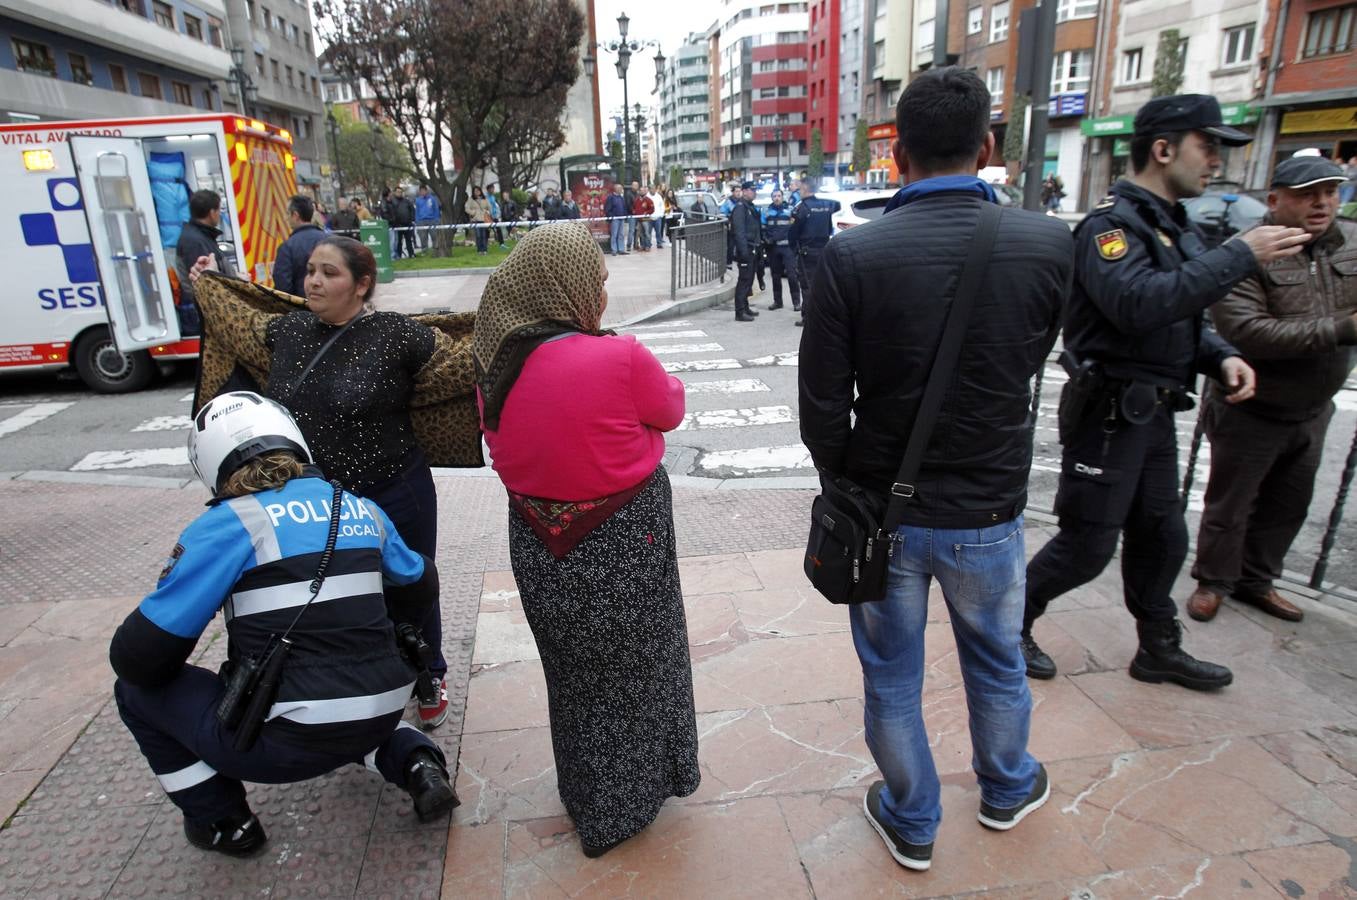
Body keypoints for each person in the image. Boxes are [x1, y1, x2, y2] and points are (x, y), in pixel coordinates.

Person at [799, 66, 1068, 874]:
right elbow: (1035, 359)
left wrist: (850, 492)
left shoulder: (852, 258)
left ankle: (912, 818)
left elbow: (820, 410)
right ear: (986, 147)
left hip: (883, 515)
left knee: (890, 673)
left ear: (897, 155)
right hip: (989, 511)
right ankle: (1005, 786)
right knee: (994, 657)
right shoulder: (1048, 244)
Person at [1021, 94, 1312, 689]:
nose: (1215, 162)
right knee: (1087, 545)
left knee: (1163, 535)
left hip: (1149, 409)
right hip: (1108, 410)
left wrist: (1222, 355)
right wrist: (1238, 255)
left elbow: (1179, 314)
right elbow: (1137, 304)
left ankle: (1158, 647)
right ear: (1162, 149)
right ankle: (1007, 628)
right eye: (1207, 147)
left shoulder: (1168, 224)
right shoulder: (1110, 228)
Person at [110, 392, 457, 858]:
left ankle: (224, 822)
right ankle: (418, 764)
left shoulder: (227, 524)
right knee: (346, 706)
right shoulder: (358, 507)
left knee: (135, 694)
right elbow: (420, 581)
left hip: (287, 742)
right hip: (386, 704)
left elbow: (141, 657)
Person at [472, 225, 700, 858]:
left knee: (572, 676)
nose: (602, 291)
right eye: (596, 279)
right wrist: (644, 445)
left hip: (541, 547)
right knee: (642, 667)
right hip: (628, 539)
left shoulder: (494, 367)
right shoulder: (618, 357)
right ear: (564, 285)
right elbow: (670, 412)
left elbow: (511, 453)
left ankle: (589, 796)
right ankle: (638, 796)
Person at [189, 236, 458, 728]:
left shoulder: (397, 335)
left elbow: (465, 361)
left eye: (329, 273)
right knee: (341, 595)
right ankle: (361, 680)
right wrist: (207, 282)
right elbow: (236, 317)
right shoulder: (288, 330)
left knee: (412, 585)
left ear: (362, 285)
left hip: (395, 490)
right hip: (321, 502)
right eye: (311, 270)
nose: (313, 280)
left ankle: (428, 672)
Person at [1186, 157, 1357, 624]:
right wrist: (1342, 329)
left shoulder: (1351, 244)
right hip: (1250, 405)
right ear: (1276, 200)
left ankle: (1257, 579)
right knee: (1230, 503)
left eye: (1330, 192)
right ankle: (1214, 580)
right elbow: (1247, 331)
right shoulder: (1247, 251)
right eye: (1308, 194)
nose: (1322, 203)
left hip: (1313, 407)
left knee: (1289, 503)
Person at [789, 178, 840, 327]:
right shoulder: (825, 205)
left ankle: (809, 318)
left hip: (807, 252)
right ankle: (824, 315)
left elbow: (793, 232)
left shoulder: (802, 208)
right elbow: (829, 228)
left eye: (800, 189)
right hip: (823, 250)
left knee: (807, 286)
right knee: (822, 284)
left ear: (805, 188)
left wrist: (793, 249)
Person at [175, 190, 228, 312]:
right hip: (211, 311)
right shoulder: (195, 242)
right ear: (212, 213)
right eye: (219, 210)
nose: (220, 214)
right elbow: (206, 284)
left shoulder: (201, 236)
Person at [272, 195, 327, 295]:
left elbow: (283, 288)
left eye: (287, 214)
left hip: (302, 307)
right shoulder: (331, 241)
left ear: (295, 215)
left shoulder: (287, 248)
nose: (285, 218)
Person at [761, 189, 800, 311]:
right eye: (774, 196)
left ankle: (796, 302)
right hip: (773, 248)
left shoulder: (790, 210)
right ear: (772, 198)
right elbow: (763, 228)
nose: (777, 198)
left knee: (792, 276)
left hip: (787, 248)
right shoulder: (766, 211)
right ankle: (777, 302)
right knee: (775, 276)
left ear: (783, 197)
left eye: (779, 196)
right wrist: (766, 239)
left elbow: (794, 228)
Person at [730, 181, 763, 322]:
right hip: (746, 249)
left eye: (755, 190)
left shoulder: (750, 207)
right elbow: (739, 232)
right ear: (744, 191)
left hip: (753, 248)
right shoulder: (740, 208)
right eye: (751, 190)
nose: (754, 192)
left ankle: (745, 307)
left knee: (749, 280)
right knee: (744, 281)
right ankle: (739, 312)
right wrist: (743, 252)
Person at [387, 186, 416, 259]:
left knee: (408, 240)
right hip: (397, 225)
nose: (399, 193)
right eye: (398, 192)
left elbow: (412, 210)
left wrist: (412, 219)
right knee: (398, 242)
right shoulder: (392, 201)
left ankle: (411, 254)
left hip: (407, 224)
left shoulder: (406, 201)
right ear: (394, 192)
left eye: (401, 192)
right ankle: (399, 256)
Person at [466, 186, 493, 255]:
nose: (477, 192)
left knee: (484, 235)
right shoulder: (471, 199)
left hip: (484, 219)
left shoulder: (485, 199)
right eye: (475, 191)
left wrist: (488, 212)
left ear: (480, 191)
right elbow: (467, 208)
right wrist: (473, 213)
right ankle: (479, 250)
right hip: (476, 220)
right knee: (478, 235)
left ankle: (485, 250)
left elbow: (490, 207)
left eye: (478, 190)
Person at [415, 184, 442, 251]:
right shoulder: (418, 200)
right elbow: (417, 211)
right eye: (421, 191)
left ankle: (435, 249)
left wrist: (437, 220)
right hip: (421, 221)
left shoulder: (432, 199)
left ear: (426, 191)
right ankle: (424, 250)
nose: (422, 192)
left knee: (434, 235)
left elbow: (436, 209)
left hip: (432, 220)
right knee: (423, 237)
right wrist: (417, 221)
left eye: (424, 191)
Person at [604, 183, 628, 255]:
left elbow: (624, 207)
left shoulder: (621, 197)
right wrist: (612, 216)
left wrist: (625, 215)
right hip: (615, 219)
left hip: (621, 218)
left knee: (621, 235)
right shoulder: (610, 197)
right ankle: (614, 250)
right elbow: (607, 209)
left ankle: (621, 249)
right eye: (620, 188)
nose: (621, 190)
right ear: (616, 189)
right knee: (614, 235)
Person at [648, 184, 667, 249]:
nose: (653, 190)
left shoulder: (659, 196)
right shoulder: (647, 196)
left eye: (654, 189)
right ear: (649, 189)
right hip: (649, 218)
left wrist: (661, 214)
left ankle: (659, 243)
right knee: (648, 232)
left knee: (658, 232)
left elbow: (662, 206)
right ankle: (648, 244)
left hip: (658, 217)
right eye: (651, 189)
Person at [486, 184, 505, 249]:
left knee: (499, 229)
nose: (493, 190)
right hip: (488, 216)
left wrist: (497, 214)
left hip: (494, 216)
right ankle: (485, 244)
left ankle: (502, 244)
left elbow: (495, 206)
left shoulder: (493, 197)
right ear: (488, 189)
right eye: (492, 189)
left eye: (493, 189)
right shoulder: (486, 197)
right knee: (487, 230)